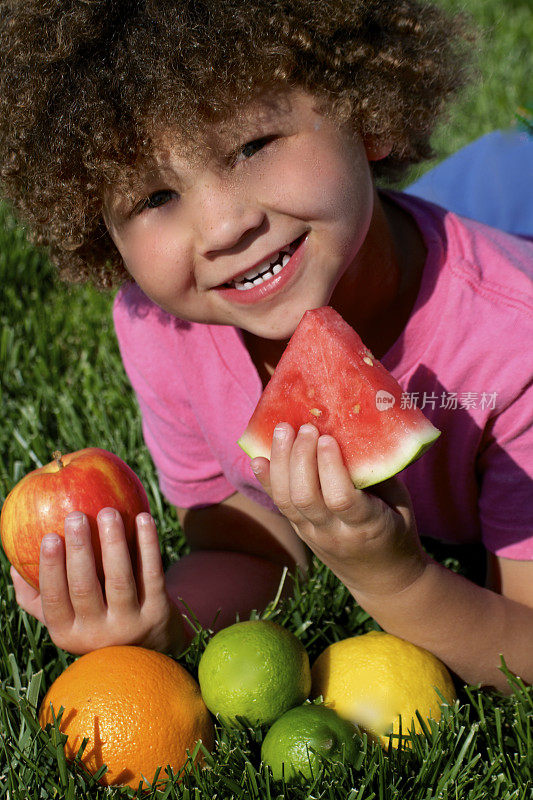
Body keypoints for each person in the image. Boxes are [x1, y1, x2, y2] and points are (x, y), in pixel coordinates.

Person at [0, 0, 531, 693]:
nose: (222, 226)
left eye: (252, 146)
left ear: (366, 111)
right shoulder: (159, 327)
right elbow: (247, 540)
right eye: (155, 197)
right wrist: (158, 628)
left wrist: (395, 579)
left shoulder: (512, 347)